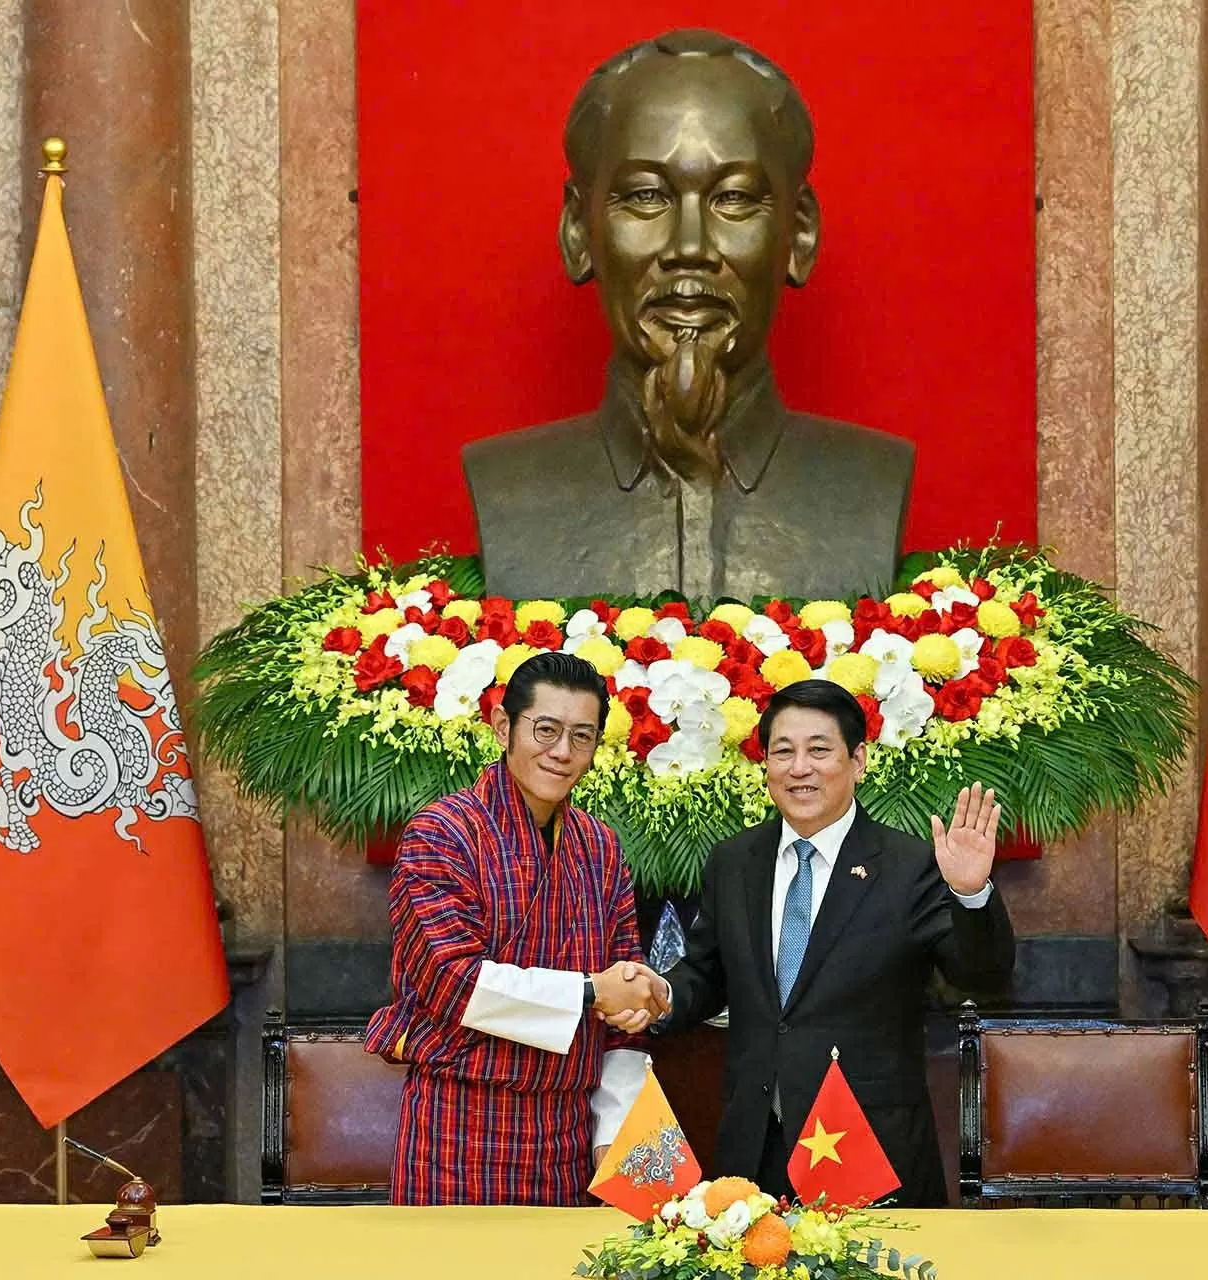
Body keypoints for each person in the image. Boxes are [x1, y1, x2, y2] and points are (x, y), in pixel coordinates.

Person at [463, 28, 913, 603]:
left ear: (799, 233)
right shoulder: (508, 487)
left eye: (735, 198)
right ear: (579, 231)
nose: (690, 246)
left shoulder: (872, 481)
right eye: (647, 196)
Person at [647, 679, 1014, 1206]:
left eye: (819, 750)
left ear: (858, 761)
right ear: (766, 767)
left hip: (869, 1150)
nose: (800, 768)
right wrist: (659, 993)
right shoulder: (735, 861)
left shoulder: (909, 866)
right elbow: (706, 974)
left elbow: (983, 976)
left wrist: (970, 892)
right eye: (783, 752)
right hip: (756, 1150)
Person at [365, 651, 671, 1205]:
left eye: (582, 736)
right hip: (459, 1127)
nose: (562, 752)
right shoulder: (442, 834)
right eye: (546, 729)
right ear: (504, 726)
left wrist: (614, 1129)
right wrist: (591, 992)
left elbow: (625, 1007)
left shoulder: (600, 847)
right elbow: (450, 982)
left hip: (569, 1135)